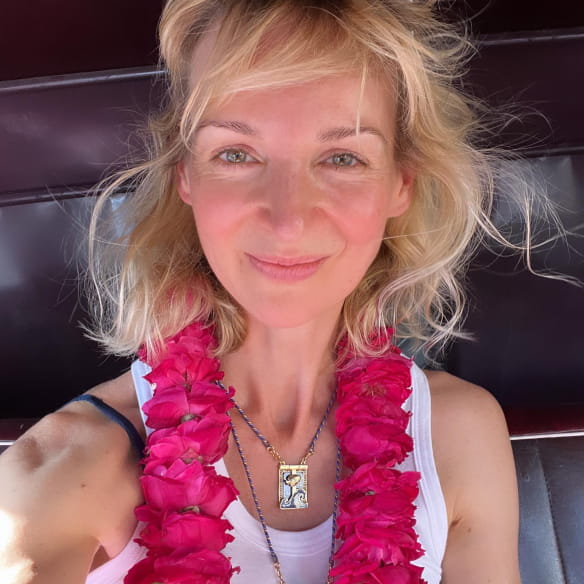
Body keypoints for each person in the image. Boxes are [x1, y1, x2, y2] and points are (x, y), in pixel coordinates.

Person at [0, 1, 523, 583]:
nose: (288, 221)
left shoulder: (459, 435)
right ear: (185, 174)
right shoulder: (73, 465)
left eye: (342, 157)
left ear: (401, 183)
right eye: (236, 153)